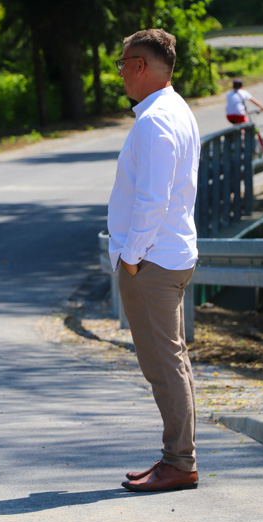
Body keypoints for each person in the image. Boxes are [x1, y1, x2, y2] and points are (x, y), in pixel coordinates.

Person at [109, 29, 201, 492]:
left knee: (164, 366)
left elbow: (152, 199)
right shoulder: (175, 110)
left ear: (141, 65)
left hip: (153, 261)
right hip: (168, 255)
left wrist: (130, 257)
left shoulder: (154, 122)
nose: (120, 72)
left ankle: (179, 463)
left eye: (124, 63)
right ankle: (174, 458)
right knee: (171, 362)